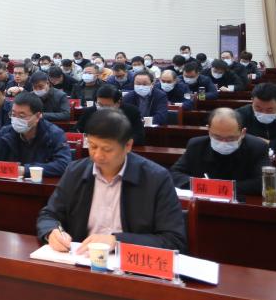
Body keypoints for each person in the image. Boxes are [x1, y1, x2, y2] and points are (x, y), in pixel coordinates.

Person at [36, 108, 186, 252]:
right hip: (82, 258)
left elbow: (173, 240)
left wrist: (117, 241)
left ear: (128, 145)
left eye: (107, 149)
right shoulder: (75, 172)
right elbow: (49, 215)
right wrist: (51, 231)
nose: (97, 155)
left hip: (130, 264)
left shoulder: (156, 178)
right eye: (93, 146)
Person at [170, 108, 268, 197]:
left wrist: (218, 187)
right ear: (209, 130)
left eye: (231, 138)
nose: (223, 142)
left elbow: (263, 182)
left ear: (242, 133)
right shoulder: (196, 145)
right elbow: (175, 173)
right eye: (217, 137)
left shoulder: (257, 147)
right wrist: (201, 184)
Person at [0, 92, 72, 177]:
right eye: (13, 114)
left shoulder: (54, 134)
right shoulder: (6, 132)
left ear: (37, 116)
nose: (16, 119)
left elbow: (63, 165)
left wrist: (24, 170)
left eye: (22, 116)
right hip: (7, 186)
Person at [75, 85, 145, 145]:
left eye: (107, 105)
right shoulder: (89, 111)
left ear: (118, 102)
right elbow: (76, 130)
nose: (103, 108)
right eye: (100, 104)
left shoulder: (131, 111)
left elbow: (139, 136)